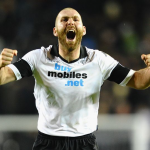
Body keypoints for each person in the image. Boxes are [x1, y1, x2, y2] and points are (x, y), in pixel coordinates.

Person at [0, 7, 150, 150]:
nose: (70, 22)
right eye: (64, 19)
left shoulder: (98, 60)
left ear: (83, 30)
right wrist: (0, 64)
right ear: (55, 31)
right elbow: (4, 76)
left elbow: (138, 80)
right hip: (47, 143)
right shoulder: (38, 57)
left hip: (84, 143)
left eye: (75, 19)